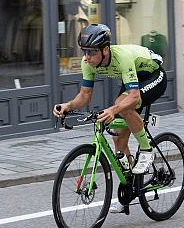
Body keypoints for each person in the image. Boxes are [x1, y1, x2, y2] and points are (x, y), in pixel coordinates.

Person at [52, 23, 167, 214]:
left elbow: (134, 97)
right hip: (134, 80)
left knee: (123, 105)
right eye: (84, 51)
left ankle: (147, 151)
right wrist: (67, 106)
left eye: (91, 52)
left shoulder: (122, 58)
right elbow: (84, 95)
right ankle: (130, 187)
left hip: (153, 76)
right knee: (117, 138)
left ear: (105, 50)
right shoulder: (87, 62)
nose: (86, 57)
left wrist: (114, 109)